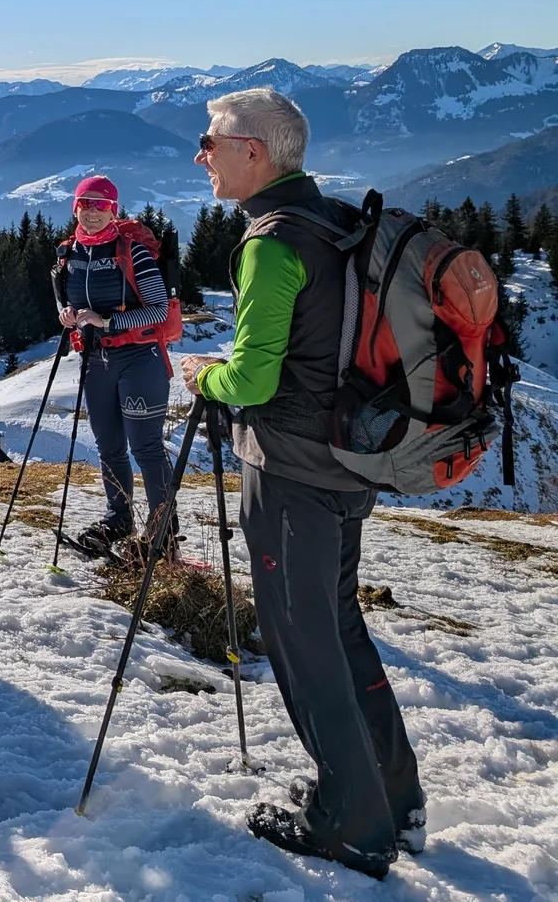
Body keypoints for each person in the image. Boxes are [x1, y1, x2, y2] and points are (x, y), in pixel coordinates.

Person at [180, 86, 423, 880]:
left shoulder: (272, 242)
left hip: (290, 470)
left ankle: (352, 822)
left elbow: (252, 379)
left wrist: (204, 377)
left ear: (253, 151)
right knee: (339, 626)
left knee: (302, 640)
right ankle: (393, 795)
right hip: (349, 463)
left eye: (211, 141)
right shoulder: (333, 219)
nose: (201, 154)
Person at [57, 174, 176, 558]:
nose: (92, 212)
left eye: (101, 205)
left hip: (139, 359)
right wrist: (67, 314)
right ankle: (118, 520)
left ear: (114, 210)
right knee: (109, 447)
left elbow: (158, 310)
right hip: (95, 361)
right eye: (85, 204)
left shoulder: (133, 252)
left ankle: (162, 533)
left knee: (146, 448)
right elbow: (65, 299)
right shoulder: (68, 253)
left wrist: (108, 321)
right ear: (75, 207)